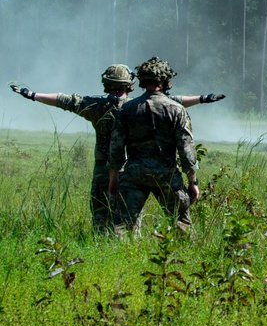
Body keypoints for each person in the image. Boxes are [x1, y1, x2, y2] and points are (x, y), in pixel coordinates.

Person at [9, 66, 224, 233]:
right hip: (132, 168)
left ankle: (105, 246)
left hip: (106, 169)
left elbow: (64, 100)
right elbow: (174, 102)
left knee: (106, 217)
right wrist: (203, 99)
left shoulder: (97, 106)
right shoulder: (135, 104)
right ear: (131, 84)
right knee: (134, 220)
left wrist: (33, 95)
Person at [108, 57, 201, 233]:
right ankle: (186, 256)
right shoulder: (176, 109)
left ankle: (121, 256)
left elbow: (116, 148)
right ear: (166, 80)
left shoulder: (127, 109)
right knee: (181, 224)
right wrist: (192, 181)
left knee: (122, 226)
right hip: (166, 175)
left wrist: (113, 179)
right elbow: (186, 149)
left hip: (134, 174)